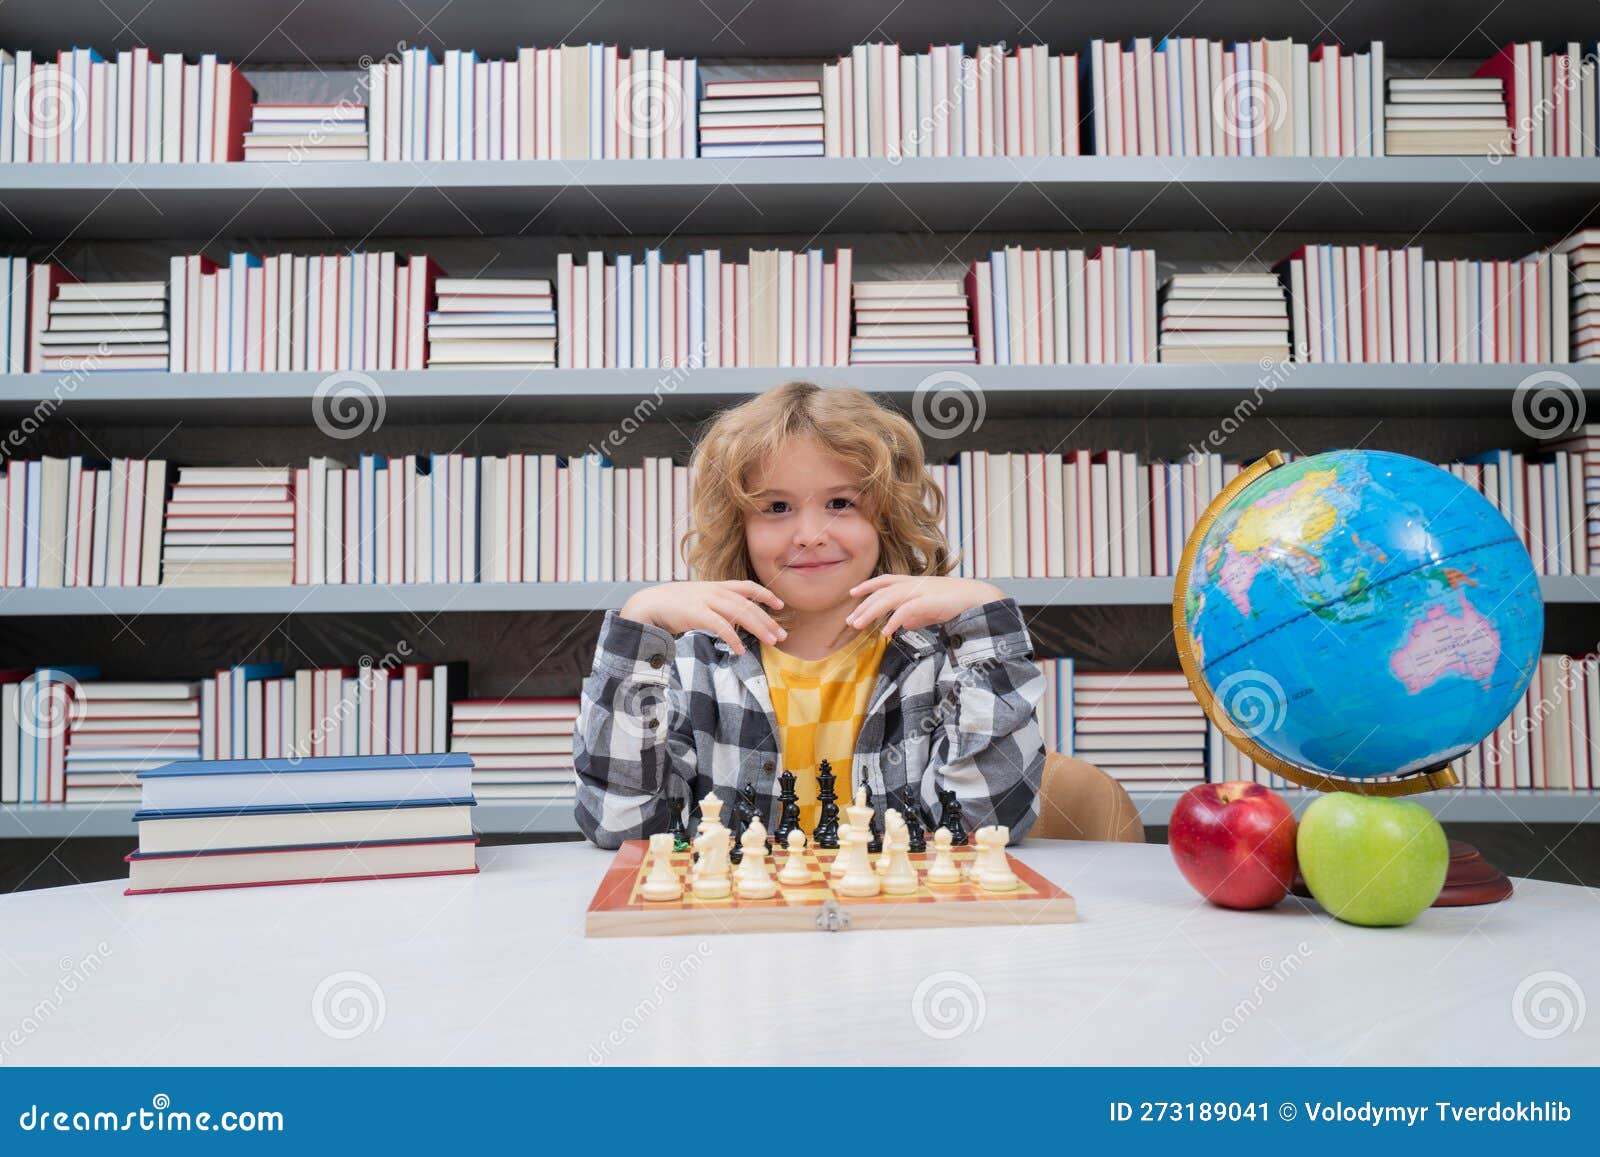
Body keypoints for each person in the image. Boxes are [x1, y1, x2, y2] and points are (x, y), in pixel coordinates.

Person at [573, 380, 1046, 850]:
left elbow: (990, 825)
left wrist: (986, 617)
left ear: (886, 517)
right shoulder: (688, 665)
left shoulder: (943, 663)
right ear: (740, 529)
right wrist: (637, 629)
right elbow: (620, 825)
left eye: (840, 503)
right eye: (776, 507)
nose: (810, 534)